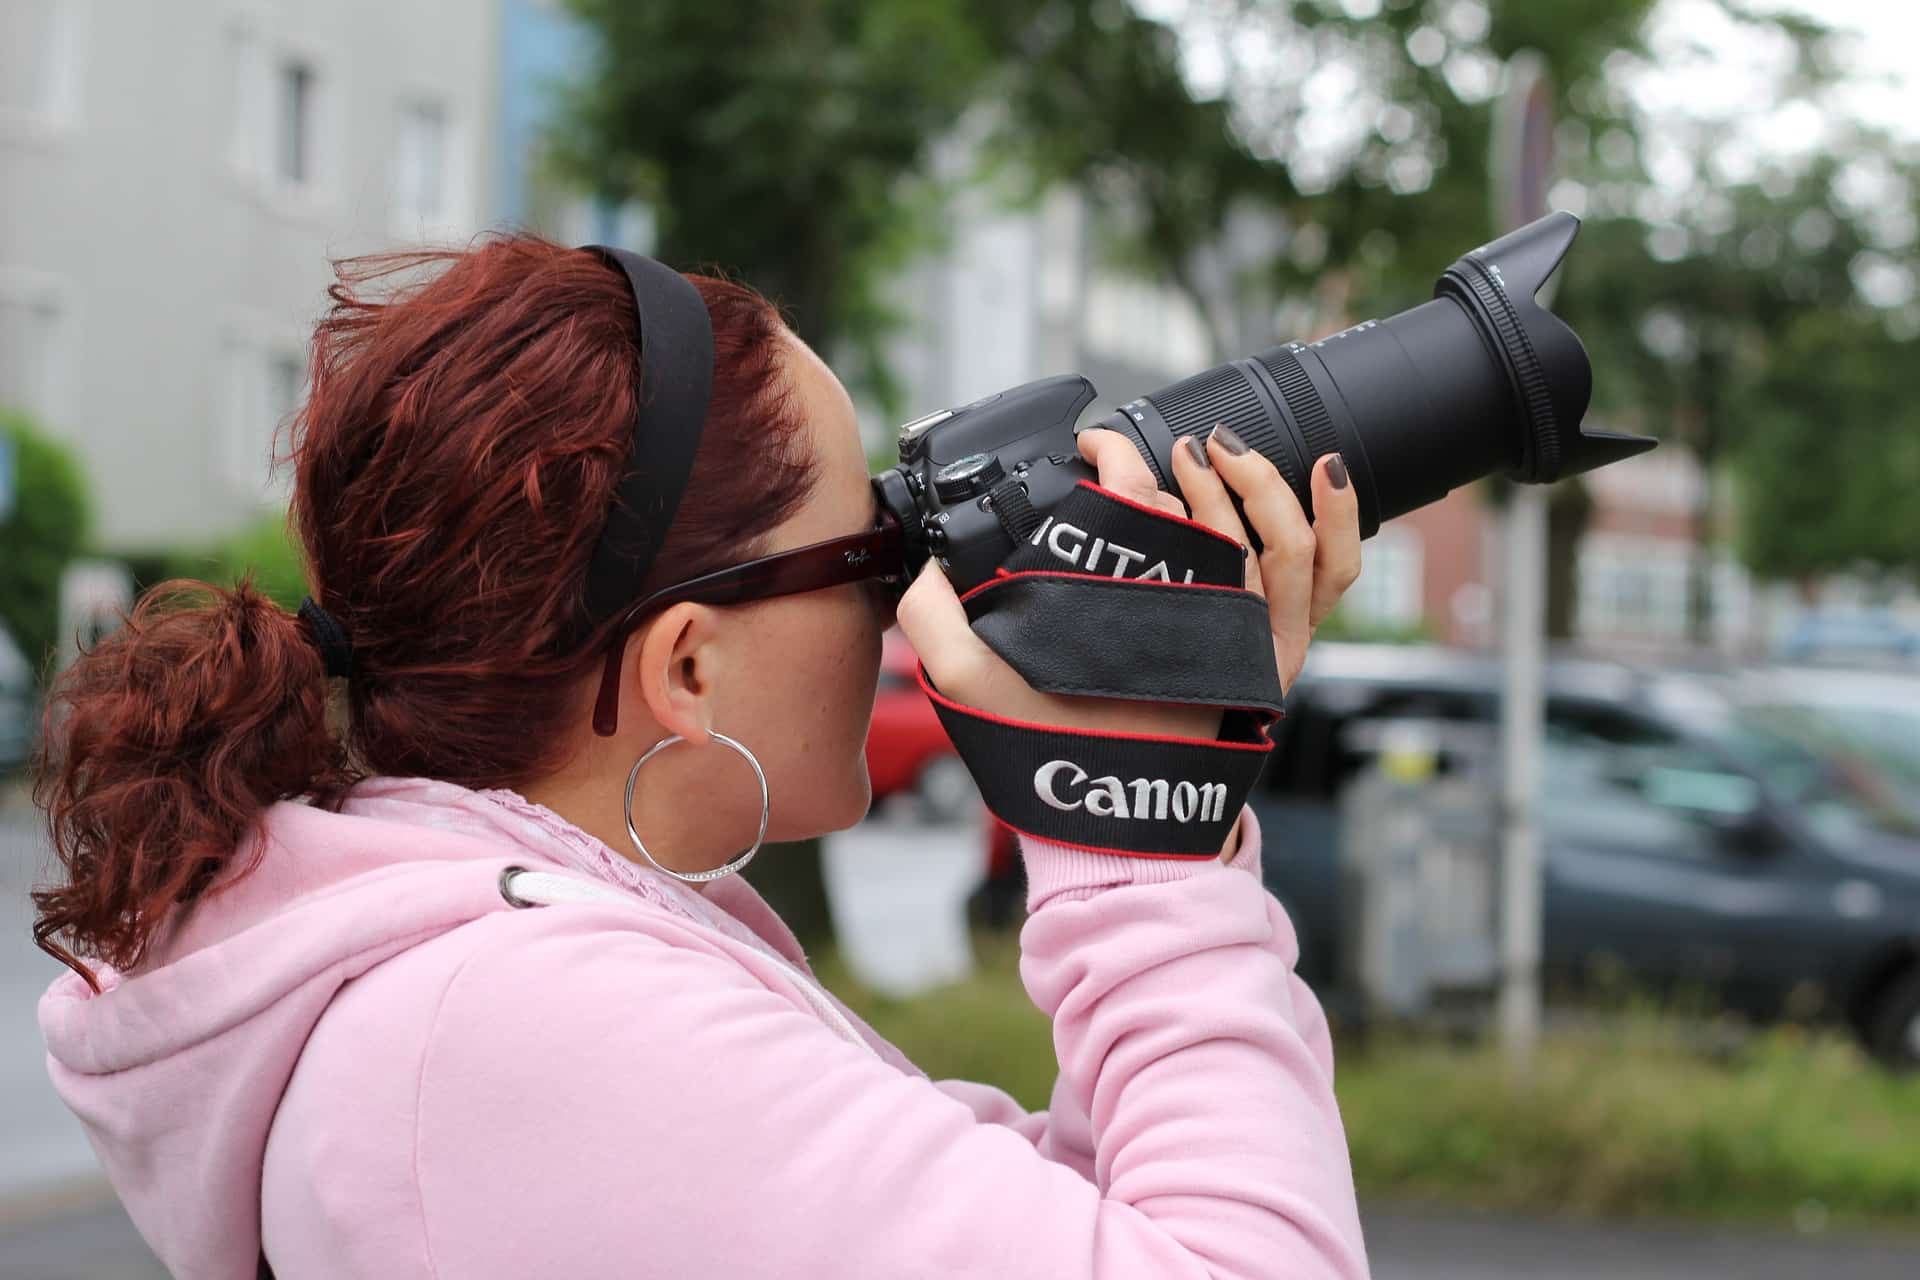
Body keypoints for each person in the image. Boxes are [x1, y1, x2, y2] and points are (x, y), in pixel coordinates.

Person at [33, 235, 1369, 1278]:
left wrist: (1169, 764)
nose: (916, 602)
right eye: (876, 556)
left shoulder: (505, 974)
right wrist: (1143, 849)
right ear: (686, 666)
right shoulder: (518, 1023)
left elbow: (1074, 1226)